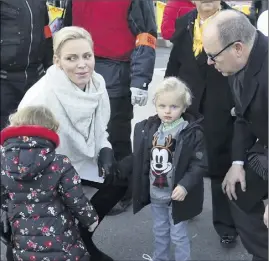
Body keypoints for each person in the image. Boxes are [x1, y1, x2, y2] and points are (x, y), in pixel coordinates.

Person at [18, 26, 125, 261]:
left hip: (82, 160)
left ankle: (83, 238)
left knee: (125, 174)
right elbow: (23, 153)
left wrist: (104, 148)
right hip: (47, 170)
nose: (82, 64)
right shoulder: (41, 97)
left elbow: (99, 130)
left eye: (87, 56)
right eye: (71, 58)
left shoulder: (97, 84)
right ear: (57, 61)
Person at [63, 0, 157, 215]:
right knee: (81, 132)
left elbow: (146, 34)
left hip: (116, 70)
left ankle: (121, 191)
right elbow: (67, 30)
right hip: (79, 69)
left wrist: (140, 79)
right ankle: (92, 182)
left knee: (115, 134)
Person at [164, 0, 239, 248]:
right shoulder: (185, 22)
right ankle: (189, 207)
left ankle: (227, 226)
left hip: (222, 104)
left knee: (219, 164)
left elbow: (245, 63)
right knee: (187, 159)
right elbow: (175, 62)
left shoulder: (235, 21)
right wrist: (168, 94)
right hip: (188, 103)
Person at [203, 9, 268, 261]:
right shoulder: (237, 63)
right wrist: (237, 163)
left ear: (238, 48)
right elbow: (242, 115)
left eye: (213, 56)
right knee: (236, 191)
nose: (209, 62)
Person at [118, 77, 206, 261]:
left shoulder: (190, 132)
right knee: (159, 231)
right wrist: (119, 168)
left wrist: (184, 186)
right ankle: (160, 258)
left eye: (174, 106)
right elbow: (140, 156)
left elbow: (199, 164)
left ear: (184, 107)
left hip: (177, 196)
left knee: (178, 234)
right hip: (156, 193)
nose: (167, 111)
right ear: (156, 105)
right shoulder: (150, 129)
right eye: (162, 106)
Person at [0, 106, 99, 261]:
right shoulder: (59, 162)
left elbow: (3, 198)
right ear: (50, 129)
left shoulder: (3, 163)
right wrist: (91, 219)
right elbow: (75, 200)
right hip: (60, 240)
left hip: (23, 239)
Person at [0, 0, 53, 130]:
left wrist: (49, 66)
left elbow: (46, 31)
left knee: (34, 127)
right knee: (5, 129)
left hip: (35, 77)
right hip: (5, 80)